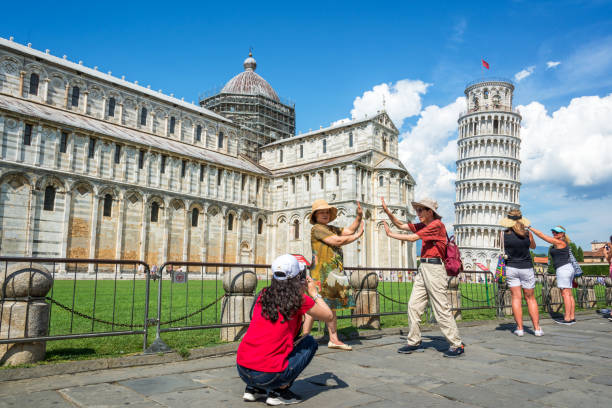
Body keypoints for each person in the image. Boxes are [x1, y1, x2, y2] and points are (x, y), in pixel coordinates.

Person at [236, 254, 333, 405]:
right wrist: (313, 293)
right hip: (268, 375)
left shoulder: (263, 293)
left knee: (268, 339)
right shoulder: (298, 299)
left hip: (242, 368)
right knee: (310, 342)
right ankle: (278, 393)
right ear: (297, 277)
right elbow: (328, 316)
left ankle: (254, 389)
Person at [381, 197, 464, 358]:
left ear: (430, 211)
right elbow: (401, 225)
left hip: (434, 268)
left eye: (420, 210)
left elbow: (412, 238)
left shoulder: (436, 225)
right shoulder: (425, 224)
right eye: (417, 210)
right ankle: (413, 341)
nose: (417, 213)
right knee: (413, 305)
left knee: (441, 308)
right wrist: (387, 211)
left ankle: (456, 343)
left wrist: (390, 234)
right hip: (423, 268)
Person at [302, 199, 364, 351]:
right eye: (321, 212)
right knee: (313, 307)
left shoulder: (330, 228)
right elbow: (336, 241)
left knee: (331, 306)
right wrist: (357, 236)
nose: (325, 214)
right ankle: (304, 339)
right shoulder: (317, 228)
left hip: (332, 274)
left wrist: (359, 217)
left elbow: (348, 231)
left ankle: (332, 339)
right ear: (315, 216)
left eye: (326, 212)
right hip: (321, 274)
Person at [499, 210, 543, 337]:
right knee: (531, 298)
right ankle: (537, 328)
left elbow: (500, 247)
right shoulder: (527, 233)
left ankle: (519, 328)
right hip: (526, 267)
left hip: (511, 267)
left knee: (516, 298)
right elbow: (533, 247)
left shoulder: (503, 234)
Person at [529, 225, 575, 325]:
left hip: (563, 269)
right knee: (569, 294)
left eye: (557, 232)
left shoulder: (559, 242)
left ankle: (567, 318)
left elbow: (542, 236)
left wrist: (530, 228)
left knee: (565, 294)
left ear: (562, 233)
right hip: (568, 268)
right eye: (553, 231)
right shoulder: (564, 243)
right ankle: (571, 316)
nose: (554, 233)